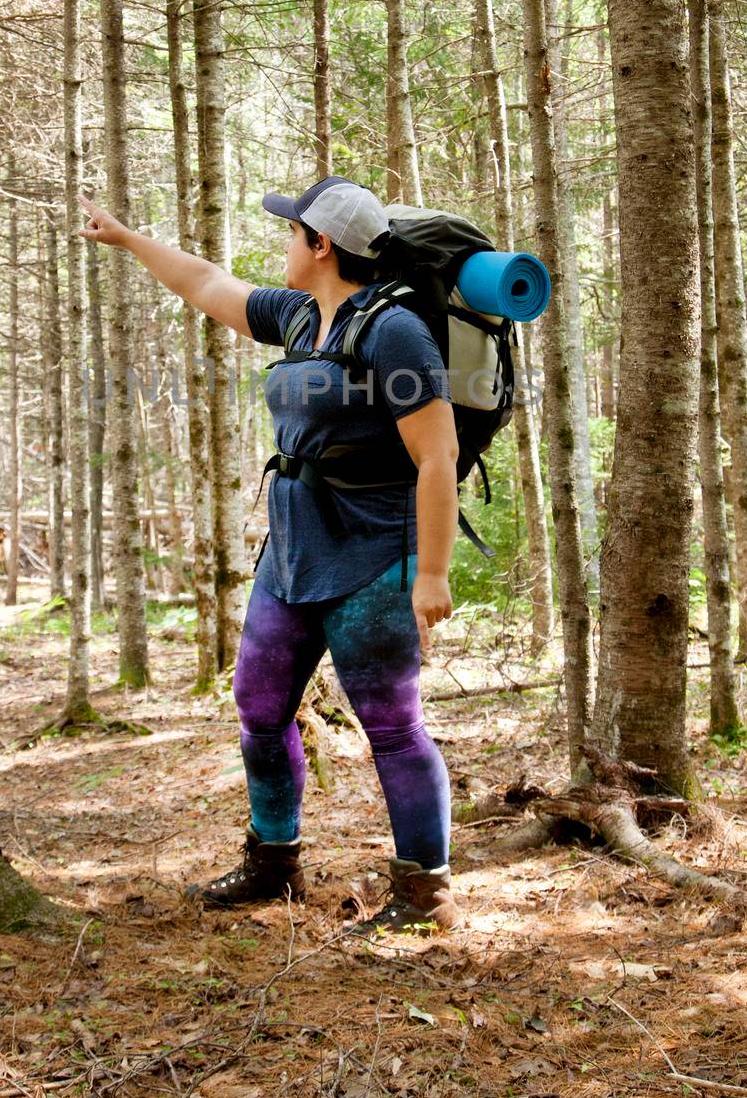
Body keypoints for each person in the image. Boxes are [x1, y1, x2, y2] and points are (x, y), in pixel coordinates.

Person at [80, 175, 461, 933]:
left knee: (390, 724)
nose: (283, 243)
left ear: (321, 245)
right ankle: (273, 860)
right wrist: (126, 238)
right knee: (259, 707)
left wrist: (432, 572)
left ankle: (425, 895)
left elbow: (438, 456)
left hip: (374, 557)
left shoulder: (394, 331)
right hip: (290, 558)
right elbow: (207, 284)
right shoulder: (295, 316)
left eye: (292, 232)